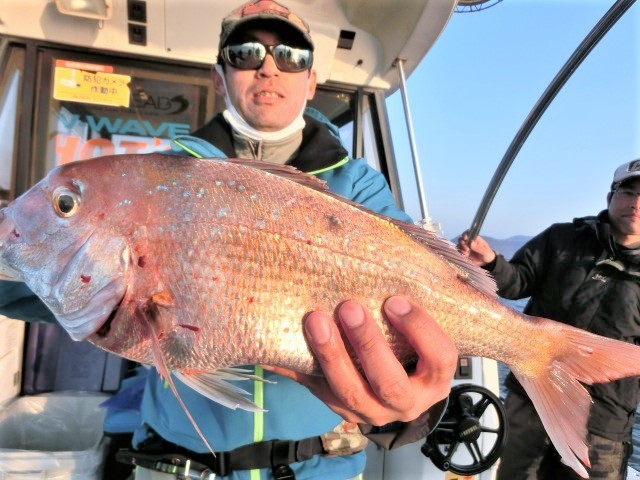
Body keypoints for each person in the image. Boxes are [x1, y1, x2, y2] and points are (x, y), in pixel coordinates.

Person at [0, 1, 459, 479]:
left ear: (312, 81)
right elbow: (46, 280)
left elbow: (426, 303)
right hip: (175, 465)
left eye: (291, 55)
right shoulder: (153, 180)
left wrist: (414, 405)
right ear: (219, 77)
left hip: (321, 467)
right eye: (244, 53)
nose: (268, 67)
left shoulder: (359, 186)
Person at [457, 159, 640, 480]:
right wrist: (490, 262)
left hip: (603, 423)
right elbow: (517, 281)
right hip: (532, 400)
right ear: (610, 197)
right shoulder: (562, 238)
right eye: (628, 191)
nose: (636, 203)